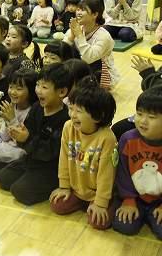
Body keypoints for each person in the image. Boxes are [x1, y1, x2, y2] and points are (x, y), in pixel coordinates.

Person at [0, 63, 73, 205]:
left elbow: (50, 151)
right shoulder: (37, 107)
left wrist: (26, 138)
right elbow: (26, 133)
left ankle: (51, 185)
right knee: (2, 178)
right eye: (38, 85)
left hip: (50, 167)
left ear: (62, 92)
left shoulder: (65, 119)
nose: (38, 91)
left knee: (20, 191)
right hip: (31, 159)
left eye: (44, 87)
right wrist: (19, 135)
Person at [50, 78, 117, 230]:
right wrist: (64, 186)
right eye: (71, 108)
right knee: (57, 205)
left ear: (98, 116)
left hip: (98, 191)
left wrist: (100, 203)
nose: (72, 115)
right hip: (77, 189)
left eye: (79, 111)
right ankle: (83, 202)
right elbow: (64, 158)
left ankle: (106, 203)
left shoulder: (107, 138)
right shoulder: (68, 127)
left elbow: (107, 174)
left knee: (98, 222)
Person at [113, 87, 162, 239]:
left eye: (151, 117)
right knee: (124, 225)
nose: (143, 121)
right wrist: (128, 199)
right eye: (139, 114)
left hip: (159, 201)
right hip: (136, 197)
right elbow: (123, 172)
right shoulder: (127, 139)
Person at [0, 69, 38, 180]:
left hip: (21, 151)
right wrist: (7, 120)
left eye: (19, 89)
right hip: (8, 145)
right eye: (11, 87)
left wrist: (12, 119)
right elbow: (4, 137)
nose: (13, 92)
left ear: (31, 90)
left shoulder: (33, 111)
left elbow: (21, 142)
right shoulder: (11, 106)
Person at [64, 0, 119, 88]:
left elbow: (89, 58)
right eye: (78, 9)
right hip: (80, 68)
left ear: (95, 14)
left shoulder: (103, 36)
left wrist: (79, 35)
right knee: (69, 49)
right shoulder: (77, 28)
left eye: (83, 10)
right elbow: (61, 51)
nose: (78, 13)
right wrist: (71, 37)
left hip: (100, 72)